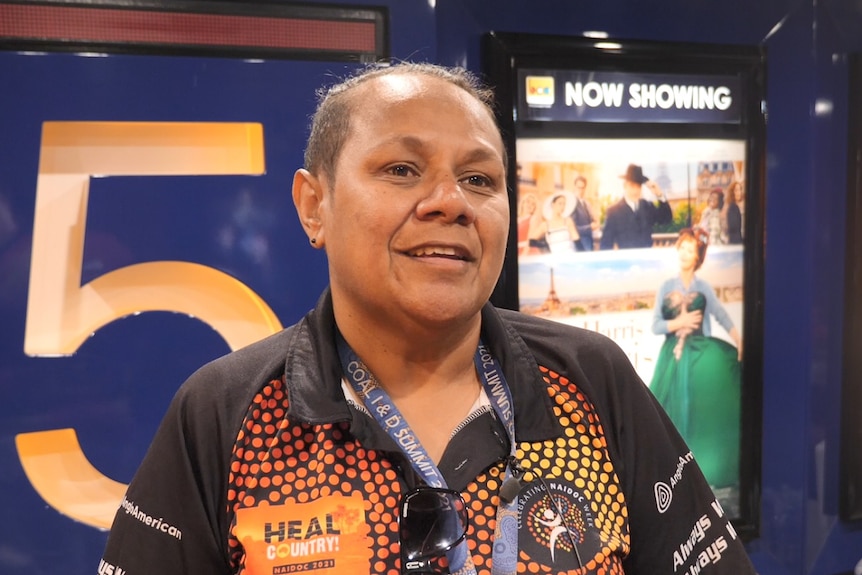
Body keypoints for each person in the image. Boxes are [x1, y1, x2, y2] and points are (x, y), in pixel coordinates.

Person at [97, 62, 755, 575]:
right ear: (313, 205)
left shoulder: (590, 381)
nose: (449, 202)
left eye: (479, 179)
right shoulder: (225, 413)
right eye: (402, 169)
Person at [649, 227, 743, 492]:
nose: (684, 253)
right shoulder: (666, 286)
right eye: (681, 247)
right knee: (669, 408)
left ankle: (700, 470)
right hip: (673, 358)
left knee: (700, 410)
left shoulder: (704, 288)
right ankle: (672, 472)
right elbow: (656, 325)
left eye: (690, 249)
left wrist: (739, 339)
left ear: (698, 256)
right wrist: (679, 321)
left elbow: (721, 314)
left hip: (700, 356)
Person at [600, 164, 672, 250]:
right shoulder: (613, 211)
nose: (635, 191)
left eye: (638, 187)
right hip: (626, 261)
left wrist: (659, 194)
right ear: (625, 186)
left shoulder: (647, 206)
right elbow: (606, 244)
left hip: (647, 260)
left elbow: (666, 219)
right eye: (632, 186)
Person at [570, 175, 598, 251]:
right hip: (580, 245)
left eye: (583, 188)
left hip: (589, 242)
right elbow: (573, 228)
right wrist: (590, 227)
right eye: (578, 187)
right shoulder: (572, 205)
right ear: (574, 187)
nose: (581, 190)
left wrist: (594, 222)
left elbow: (591, 220)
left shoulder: (586, 203)